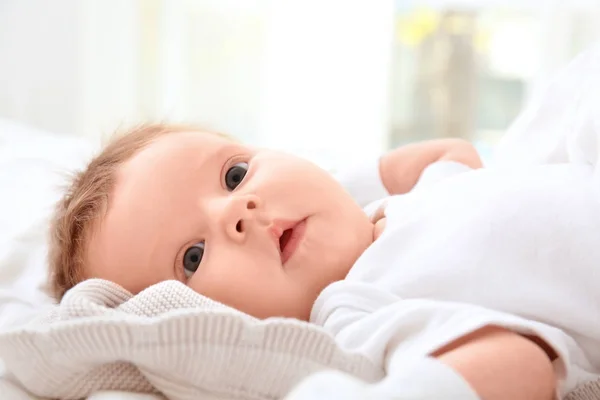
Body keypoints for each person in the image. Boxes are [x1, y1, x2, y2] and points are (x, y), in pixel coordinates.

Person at [48, 123, 600, 400]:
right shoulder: (357, 310)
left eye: (235, 175)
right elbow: (517, 365)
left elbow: (447, 154)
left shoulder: (396, 208)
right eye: (192, 257)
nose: (239, 211)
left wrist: (342, 192)